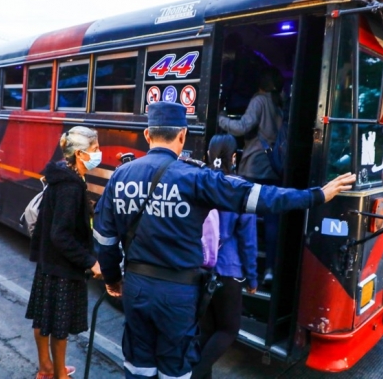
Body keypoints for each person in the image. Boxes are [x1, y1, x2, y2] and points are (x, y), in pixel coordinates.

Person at [93, 101, 355, 379]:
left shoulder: (120, 175)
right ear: (182, 134)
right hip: (178, 293)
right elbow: (259, 197)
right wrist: (316, 195)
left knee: (137, 365)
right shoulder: (195, 178)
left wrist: (112, 279)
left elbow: (105, 240)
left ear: (147, 135)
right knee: (175, 369)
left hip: (136, 288)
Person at [25, 126, 102, 379]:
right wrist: (90, 261)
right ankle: (59, 374)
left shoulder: (63, 174)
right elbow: (61, 233)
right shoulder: (70, 185)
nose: (99, 153)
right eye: (95, 149)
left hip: (49, 261)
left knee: (43, 317)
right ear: (80, 154)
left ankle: (46, 367)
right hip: (62, 266)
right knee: (59, 324)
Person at [192, 134, 258, 379]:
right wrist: (251, 278)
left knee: (206, 330)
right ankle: (193, 374)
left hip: (200, 266)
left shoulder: (198, 182)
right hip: (229, 270)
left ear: (208, 154)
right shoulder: (240, 188)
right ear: (234, 157)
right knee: (229, 329)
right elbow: (248, 241)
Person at [218, 66, 284, 284]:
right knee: (272, 220)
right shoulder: (280, 102)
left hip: (255, 165)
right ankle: (271, 269)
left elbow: (243, 127)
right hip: (274, 167)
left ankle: (243, 267)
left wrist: (221, 119)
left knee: (245, 216)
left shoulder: (259, 100)